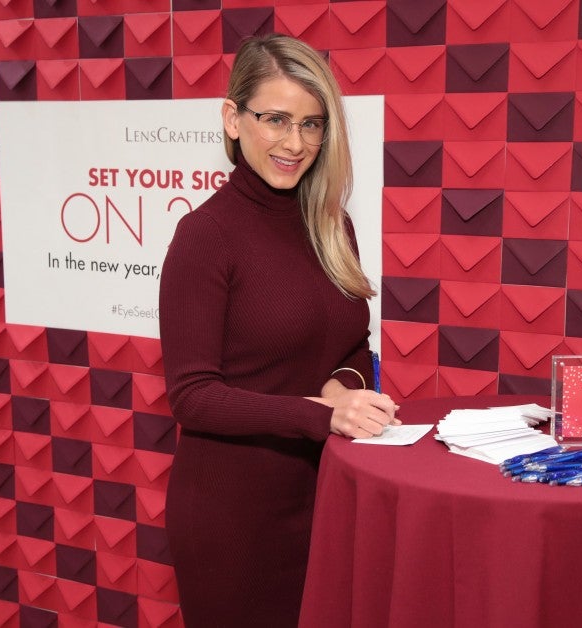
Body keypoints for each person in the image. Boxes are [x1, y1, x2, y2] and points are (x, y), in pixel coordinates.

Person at [159, 33, 398, 627]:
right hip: (232, 518)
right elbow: (193, 396)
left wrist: (343, 386)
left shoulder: (332, 226)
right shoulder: (205, 237)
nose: (296, 143)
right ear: (233, 119)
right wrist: (321, 414)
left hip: (324, 495)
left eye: (312, 124)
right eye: (276, 119)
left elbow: (350, 345)